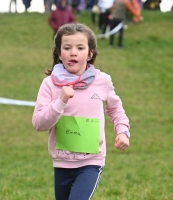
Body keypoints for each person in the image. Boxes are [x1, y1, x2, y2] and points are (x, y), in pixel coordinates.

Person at [32, 23, 131, 200]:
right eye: (67, 47)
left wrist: (123, 132)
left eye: (80, 47)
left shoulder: (103, 81)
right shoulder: (49, 84)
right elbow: (38, 123)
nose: (73, 52)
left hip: (91, 162)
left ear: (90, 54)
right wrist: (60, 102)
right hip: (62, 162)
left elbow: (116, 109)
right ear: (59, 54)